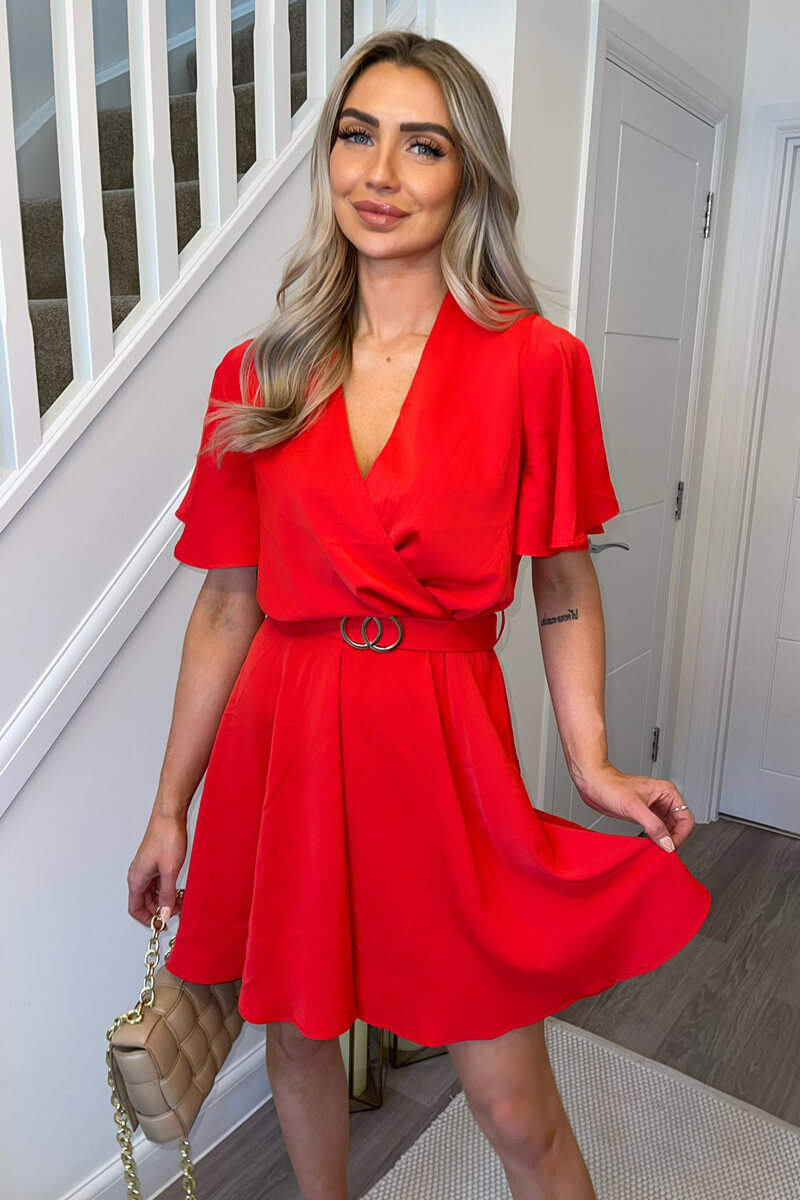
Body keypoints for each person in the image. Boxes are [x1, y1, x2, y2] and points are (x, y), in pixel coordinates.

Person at [127, 30, 711, 1200]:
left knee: (508, 1101)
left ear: (466, 178)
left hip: (443, 741)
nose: (379, 173)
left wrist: (590, 760)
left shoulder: (534, 363)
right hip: (284, 736)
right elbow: (225, 606)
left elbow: (561, 588)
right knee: (296, 1036)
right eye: (356, 135)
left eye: (420, 145)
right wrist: (169, 806)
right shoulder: (262, 372)